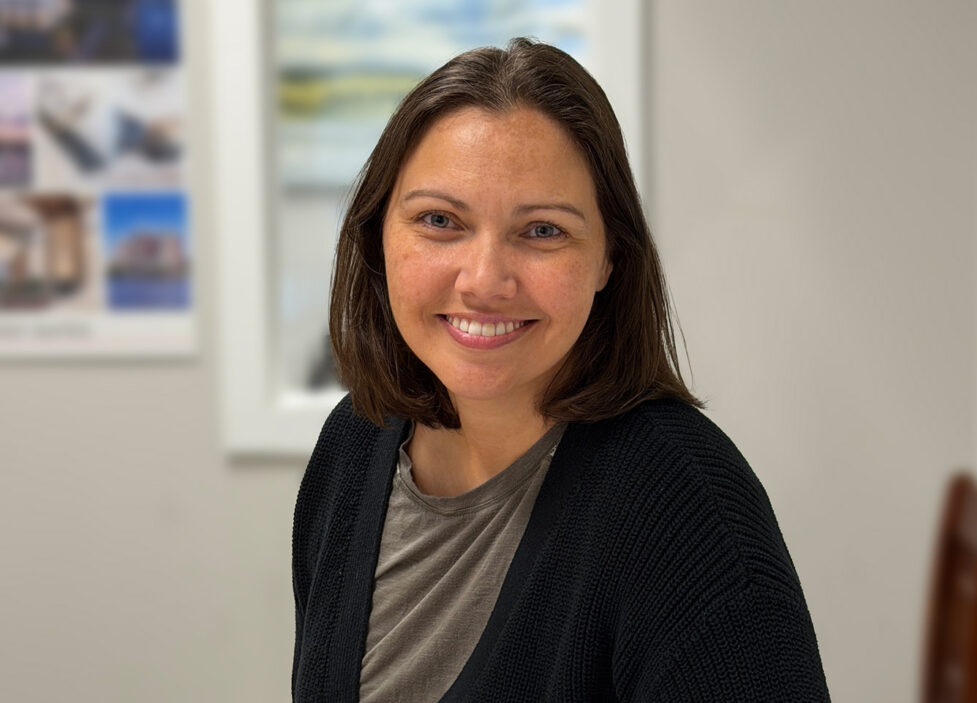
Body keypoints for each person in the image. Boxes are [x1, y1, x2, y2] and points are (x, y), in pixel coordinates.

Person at [292, 38, 830, 702]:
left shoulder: (689, 516)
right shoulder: (354, 444)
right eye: (440, 220)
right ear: (380, 235)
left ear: (608, 259)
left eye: (542, 230)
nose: (485, 279)